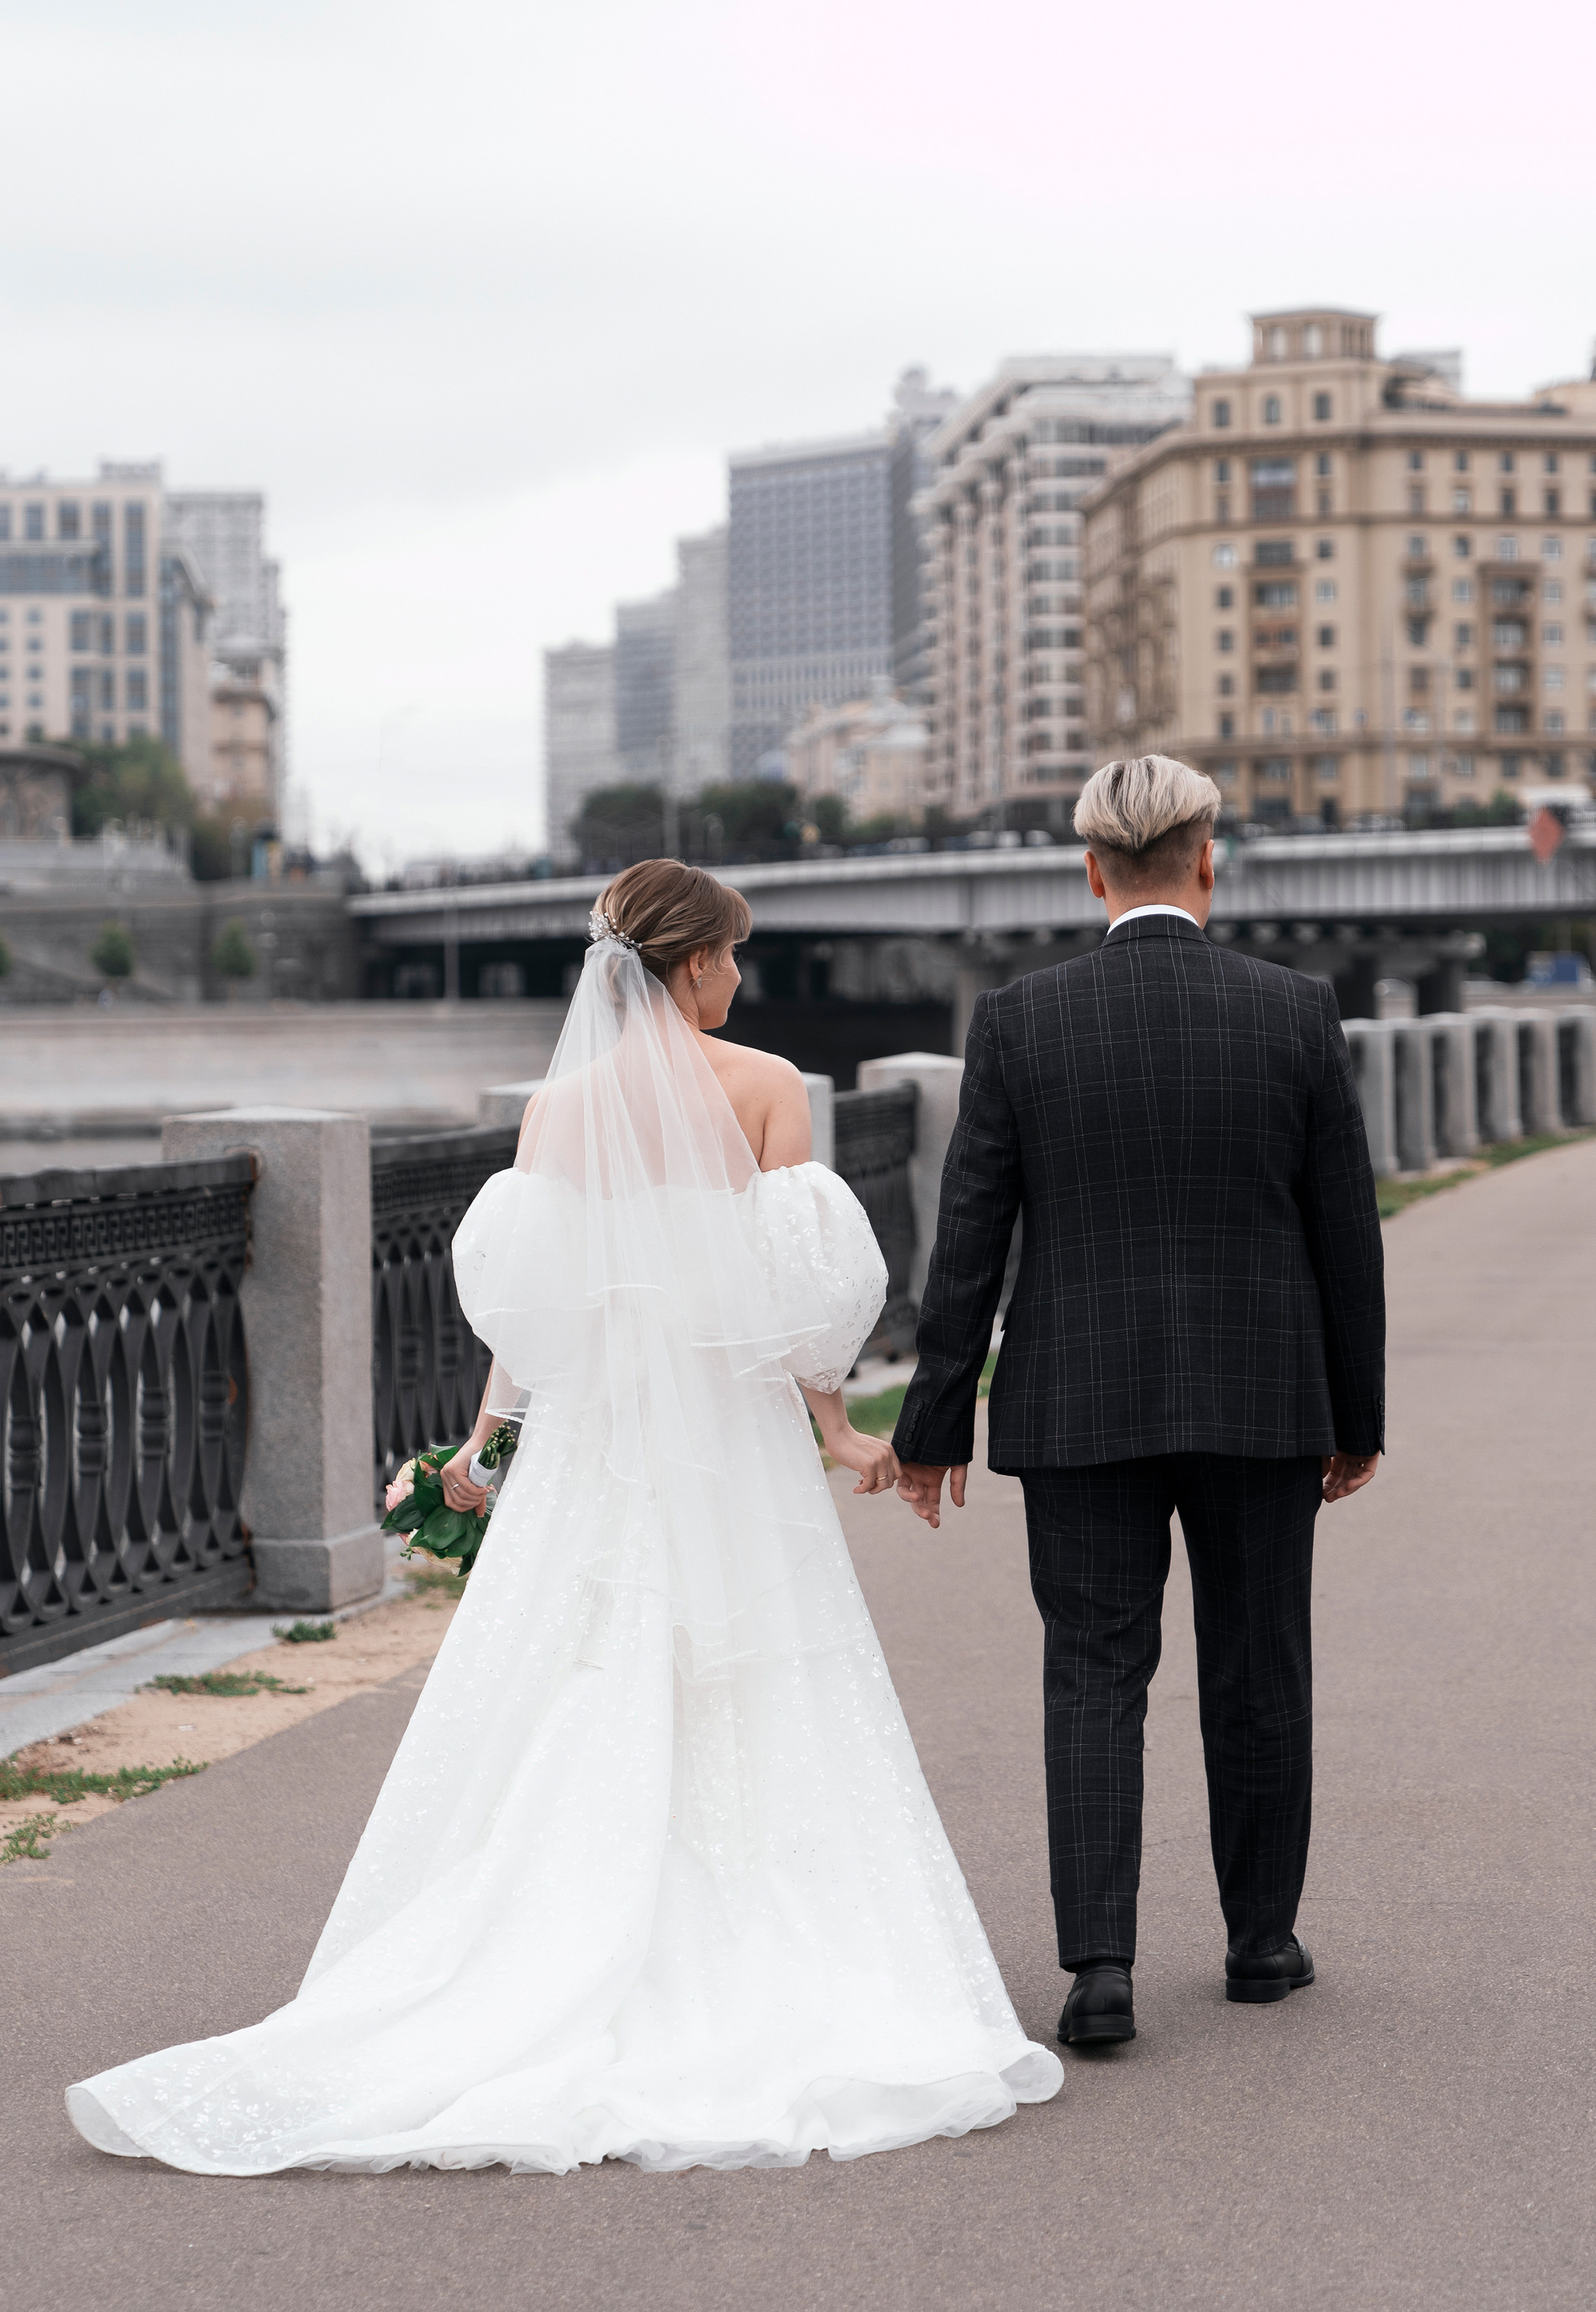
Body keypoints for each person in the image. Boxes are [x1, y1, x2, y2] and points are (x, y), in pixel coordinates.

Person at [66, 859, 1061, 2174]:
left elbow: (532, 1306)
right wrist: (835, 1430)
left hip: (599, 1438)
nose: (741, 975)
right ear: (691, 963)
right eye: (733, 954)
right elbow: (796, 1297)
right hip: (727, 1436)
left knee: (579, 1667)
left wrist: (489, 1443)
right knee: (754, 1668)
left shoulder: (562, 1108)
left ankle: (548, 1932)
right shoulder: (767, 1086)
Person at [893, 756, 1385, 2051]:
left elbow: (970, 1238)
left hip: (1078, 1397)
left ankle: (1099, 1970)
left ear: (1091, 871)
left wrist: (934, 1425)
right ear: (1210, 858)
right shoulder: (1296, 1011)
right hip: (1263, 1394)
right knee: (1261, 1665)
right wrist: (1358, 1416)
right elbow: (1347, 1233)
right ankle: (1260, 1943)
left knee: (1094, 1674)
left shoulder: (1019, 1019)